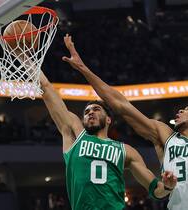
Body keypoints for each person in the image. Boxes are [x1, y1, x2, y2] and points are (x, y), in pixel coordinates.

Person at [62, 34, 188, 210]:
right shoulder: (165, 135)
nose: (180, 111)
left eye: (187, 110)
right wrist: (82, 68)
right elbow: (121, 105)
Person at [37, 48, 177, 210]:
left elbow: (156, 191)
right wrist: (27, 59)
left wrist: (167, 187)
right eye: (87, 112)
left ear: (109, 119)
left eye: (96, 110)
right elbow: (46, 88)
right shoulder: (76, 136)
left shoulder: (126, 150)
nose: (90, 113)